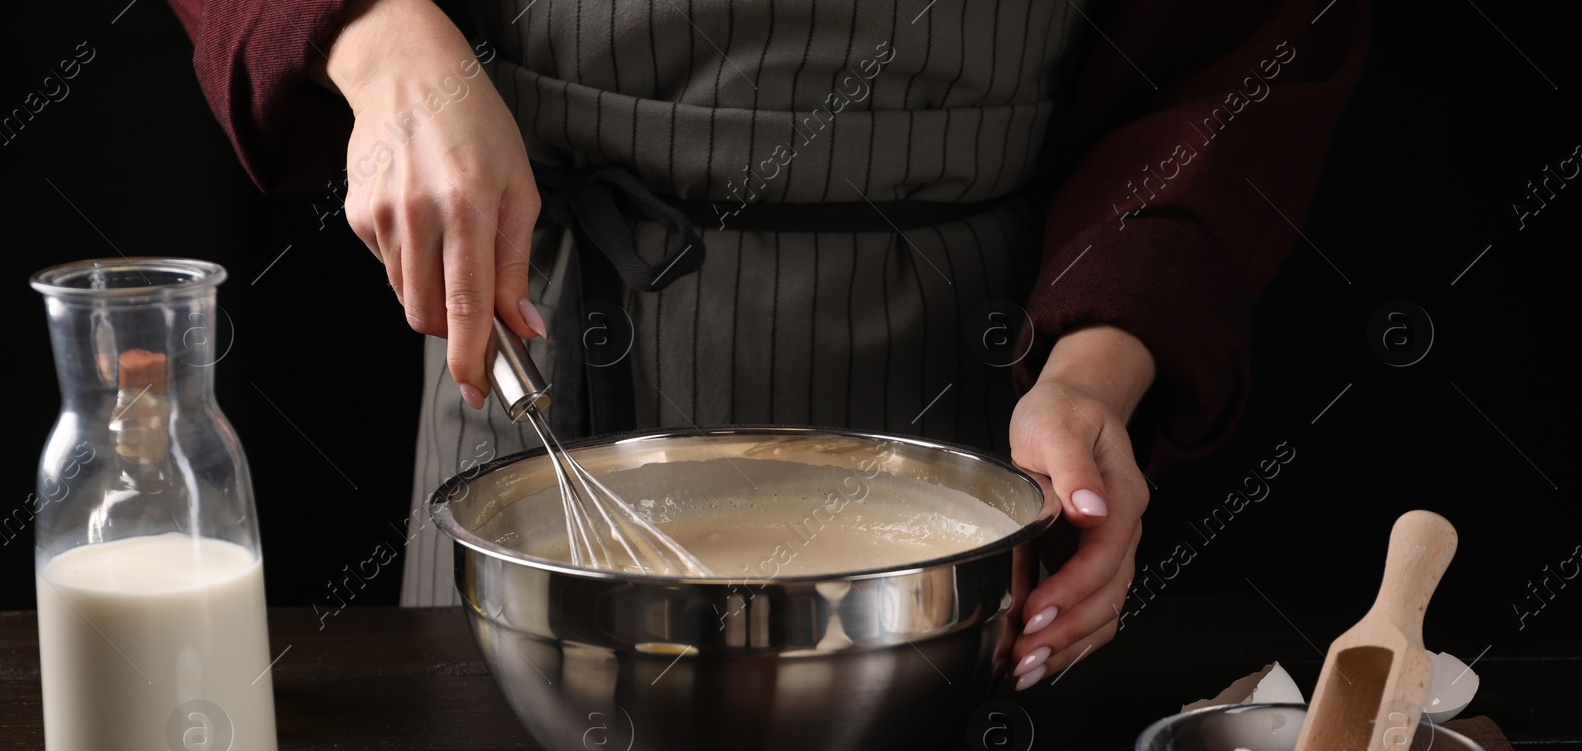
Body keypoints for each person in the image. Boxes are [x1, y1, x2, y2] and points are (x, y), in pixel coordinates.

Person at [166, 0, 1368, 689]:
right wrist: (380, 41)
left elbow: (1241, 52)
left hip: (964, 403)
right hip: (538, 366)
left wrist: (1097, 365)